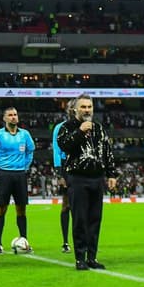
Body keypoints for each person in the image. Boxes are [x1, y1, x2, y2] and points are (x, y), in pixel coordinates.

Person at [56, 95, 117, 271]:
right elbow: (64, 146)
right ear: (75, 109)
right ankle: (79, 258)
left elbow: (107, 151)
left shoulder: (98, 128)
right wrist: (80, 131)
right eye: (83, 107)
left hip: (97, 178)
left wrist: (111, 174)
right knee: (80, 219)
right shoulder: (66, 128)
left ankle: (92, 257)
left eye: (89, 107)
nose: (87, 110)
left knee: (95, 219)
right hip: (77, 178)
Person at [0, 106, 36, 254]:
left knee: (21, 209)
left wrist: (25, 166)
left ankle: (24, 241)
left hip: (20, 174)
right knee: (1, 208)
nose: (14, 117)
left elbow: (30, 151)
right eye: (10, 115)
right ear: (4, 118)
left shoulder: (25, 134)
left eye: (15, 114)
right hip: (4, 174)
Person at [52, 101, 73, 252]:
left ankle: (83, 240)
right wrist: (60, 173)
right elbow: (56, 150)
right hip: (66, 166)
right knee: (66, 204)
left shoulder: (87, 126)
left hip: (83, 165)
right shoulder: (60, 128)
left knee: (82, 207)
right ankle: (65, 242)